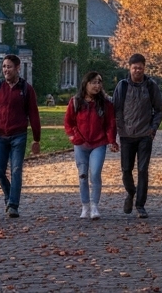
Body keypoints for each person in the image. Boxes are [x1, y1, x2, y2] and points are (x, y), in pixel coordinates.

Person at [0, 54, 42, 218]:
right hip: (0, 135)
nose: (5, 70)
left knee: (16, 170)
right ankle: (9, 197)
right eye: (3, 67)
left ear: (17, 68)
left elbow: (34, 115)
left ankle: (13, 205)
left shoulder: (26, 89)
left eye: (9, 67)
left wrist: (36, 139)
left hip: (19, 135)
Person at [113, 53, 162, 218]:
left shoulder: (151, 86)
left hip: (144, 135)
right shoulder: (122, 86)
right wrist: (119, 128)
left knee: (143, 170)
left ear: (144, 68)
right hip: (126, 135)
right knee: (126, 169)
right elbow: (115, 110)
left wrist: (153, 128)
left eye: (140, 68)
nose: (137, 70)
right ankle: (131, 192)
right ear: (129, 68)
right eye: (134, 68)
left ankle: (140, 205)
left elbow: (159, 110)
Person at [64, 71, 118, 219]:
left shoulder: (105, 103)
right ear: (86, 84)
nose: (97, 85)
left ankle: (94, 206)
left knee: (95, 174)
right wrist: (72, 135)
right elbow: (68, 121)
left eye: (99, 82)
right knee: (82, 175)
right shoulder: (76, 101)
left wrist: (112, 140)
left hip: (98, 143)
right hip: (80, 144)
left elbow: (110, 123)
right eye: (93, 82)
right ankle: (85, 206)